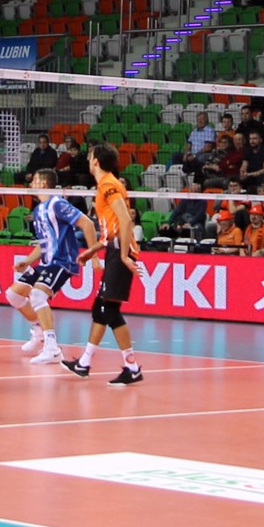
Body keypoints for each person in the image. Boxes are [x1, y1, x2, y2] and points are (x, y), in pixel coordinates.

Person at [62, 144, 146, 385]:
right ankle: (84, 363)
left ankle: (132, 368)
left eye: (90, 157)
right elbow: (112, 229)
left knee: (107, 310)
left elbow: (125, 220)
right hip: (114, 248)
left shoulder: (108, 185)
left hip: (120, 250)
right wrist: (93, 250)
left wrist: (124, 256)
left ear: (96, 161)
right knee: (101, 308)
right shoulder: (105, 184)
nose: (88, 160)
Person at [7, 168, 98, 365]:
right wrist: (28, 261)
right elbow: (44, 242)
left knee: (38, 295)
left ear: (43, 183)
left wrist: (93, 255)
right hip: (47, 262)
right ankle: (38, 329)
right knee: (13, 294)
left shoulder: (57, 203)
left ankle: (52, 348)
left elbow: (87, 224)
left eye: (34, 180)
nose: (31, 184)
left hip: (63, 261)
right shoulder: (38, 209)